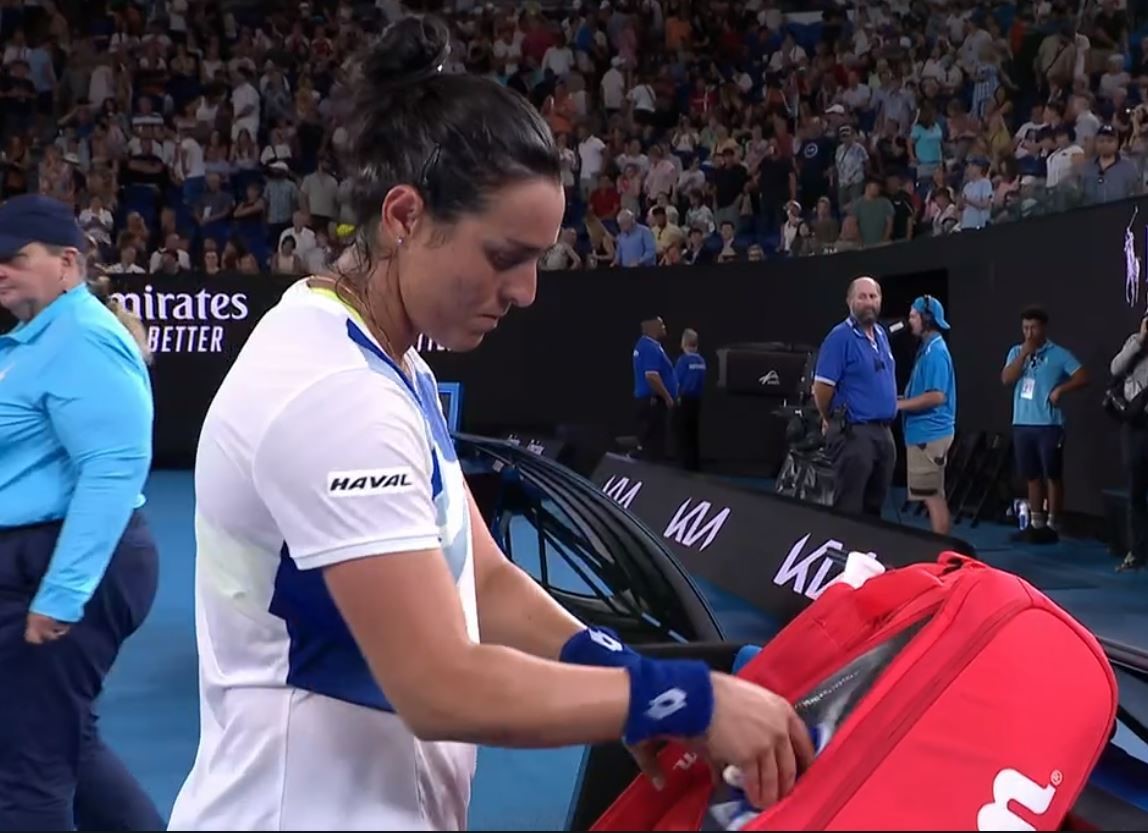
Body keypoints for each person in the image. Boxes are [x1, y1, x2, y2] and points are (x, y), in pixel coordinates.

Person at [168, 17, 813, 831]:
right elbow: (441, 683)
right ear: (404, 216)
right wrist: (678, 696)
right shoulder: (336, 395)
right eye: (506, 256)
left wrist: (624, 673)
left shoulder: (393, 364)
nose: (527, 290)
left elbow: (486, 580)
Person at [0, 195, 162, 831]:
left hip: (65, 564)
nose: (0, 272)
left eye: (14, 259)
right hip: (37, 558)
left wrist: (62, 594)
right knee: (62, 739)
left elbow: (114, 469)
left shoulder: (82, 338)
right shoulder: (36, 339)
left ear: (67, 262)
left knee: (27, 773)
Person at [812, 276, 899, 518]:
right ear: (850, 301)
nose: (868, 302)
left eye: (873, 296)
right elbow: (822, 387)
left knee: (874, 506)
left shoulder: (881, 335)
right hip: (854, 432)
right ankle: (845, 553)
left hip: (883, 432)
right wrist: (828, 417)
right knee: (850, 506)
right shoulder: (839, 338)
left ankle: (868, 554)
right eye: (862, 297)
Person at [1000, 306, 1088, 543]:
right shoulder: (1016, 352)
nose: (1029, 333)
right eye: (1025, 328)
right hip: (1022, 422)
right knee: (1031, 475)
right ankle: (1036, 523)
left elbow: (1082, 376)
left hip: (1048, 424)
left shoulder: (1059, 354)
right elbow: (1007, 379)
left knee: (1052, 474)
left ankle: (1053, 523)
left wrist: (1061, 389)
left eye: (1033, 328)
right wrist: (1022, 356)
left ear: (1043, 328)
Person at [897, 296, 957, 535]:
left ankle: (941, 557)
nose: (909, 321)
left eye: (913, 316)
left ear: (927, 319)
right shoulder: (928, 350)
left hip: (929, 435)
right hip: (924, 434)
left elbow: (937, 396)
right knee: (932, 496)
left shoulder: (936, 353)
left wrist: (900, 406)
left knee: (933, 498)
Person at [1107, 315, 1148, 572]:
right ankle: (1137, 551)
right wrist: (1141, 340)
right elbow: (1115, 369)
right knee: (1135, 492)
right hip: (1136, 425)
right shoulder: (1136, 342)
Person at [632, 313, 677, 461]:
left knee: (650, 441)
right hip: (653, 401)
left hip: (649, 400)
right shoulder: (650, 347)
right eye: (661, 324)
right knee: (654, 445)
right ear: (652, 327)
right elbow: (651, 376)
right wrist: (667, 396)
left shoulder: (645, 346)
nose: (664, 327)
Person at [674, 327, 706, 471]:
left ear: (683, 343)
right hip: (696, 401)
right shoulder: (701, 361)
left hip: (684, 400)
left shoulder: (683, 361)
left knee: (682, 435)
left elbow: (676, 382)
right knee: (693, 434)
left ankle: (684, 466)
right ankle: (694, 466)